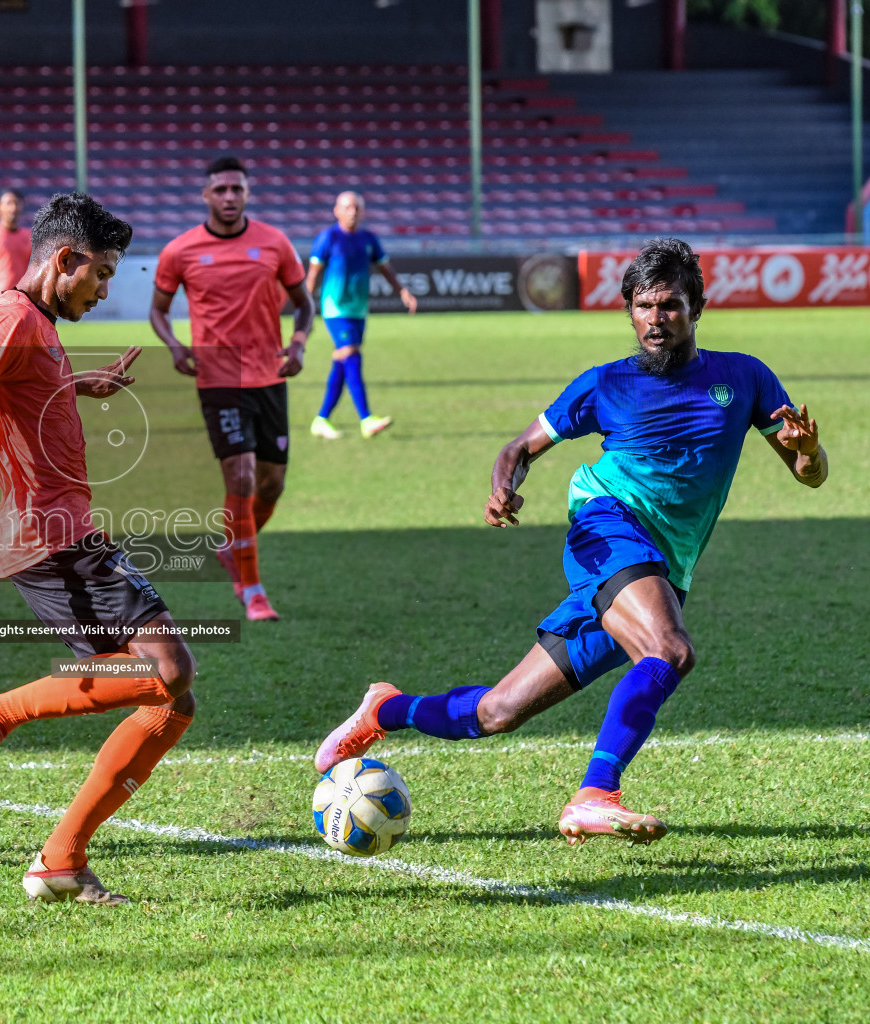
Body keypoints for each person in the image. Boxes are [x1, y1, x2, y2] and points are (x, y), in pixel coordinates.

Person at [315, 237, 828, 845]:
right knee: (669, 650)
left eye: (668, 305)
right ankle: (595, 794)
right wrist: (504, 486)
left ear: (698, 307)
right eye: (642, 306)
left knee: (497, 712)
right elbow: (520, 448)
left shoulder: (745, 376)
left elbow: (811, 477)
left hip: (662, 564)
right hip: (607, 528)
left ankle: (385, 709)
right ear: (629, 310)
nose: (654, 320)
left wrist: (809, 452)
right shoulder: (604, 384)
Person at [0, 193, 196, 905]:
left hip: (63, 531)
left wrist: (79, 383)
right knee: (170, 668)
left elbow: (23, 388)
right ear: (64, 259)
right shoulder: (12, 317)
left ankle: (60, 860)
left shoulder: (38, 324)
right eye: (102, 274)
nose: (106, 289)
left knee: (171, 705)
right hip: (52, 536)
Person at [150, 156, 315, 622]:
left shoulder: (274, 242)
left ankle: (232, 546)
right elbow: (158, 311)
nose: (228, 197)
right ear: (205, 195)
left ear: (247, 194)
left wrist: (299, 344)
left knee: (271, 484)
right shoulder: (180, 250)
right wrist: (175, 346)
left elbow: (304, 306)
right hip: (217, 378)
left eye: (236, 189)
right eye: (219, 189)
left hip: (270, 377)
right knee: (241, 478)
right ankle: (252, 590)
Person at [306, 191, 417, 441]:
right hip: (334, 308)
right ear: (336, 211)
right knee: (352, 355)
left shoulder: (369, 239)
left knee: (343, 360)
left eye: (356, 207)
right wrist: (306, 307)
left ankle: (321, 419)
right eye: (347, 207)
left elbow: (384, 268)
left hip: (358, 309)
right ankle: (366, 419)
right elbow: (313, 275)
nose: (352, 211)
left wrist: (403, 292)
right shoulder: (328, 238)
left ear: (362, 211)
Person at [0, 189, 32, 299]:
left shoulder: (30, 238)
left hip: (23, 300)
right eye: (9, 203)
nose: (13, 208)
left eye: (16, 203)